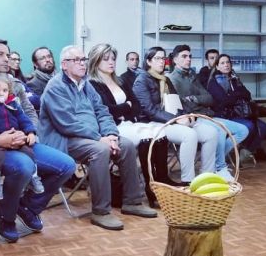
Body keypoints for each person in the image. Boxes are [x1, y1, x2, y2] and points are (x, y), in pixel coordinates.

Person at [0, 39, 75, 243]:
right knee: (24, 166)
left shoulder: (14, 85)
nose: (6, 58)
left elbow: (30, 113)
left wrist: (28, 133)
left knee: (66, 165)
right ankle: (6, 216)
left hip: (21, 144)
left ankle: (24, 206)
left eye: (7, 54)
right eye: (0, 54)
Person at [39, 45, 158, 230]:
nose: (82, 63)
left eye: (83, 59)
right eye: (76, 60)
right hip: (63, 139)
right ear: (64, 64)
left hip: (91, 137)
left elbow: (102, 112)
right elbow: (67, 123)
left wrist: (111, 133)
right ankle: (101, 211)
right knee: (100, 150)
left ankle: (132, 202)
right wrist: (99, 138)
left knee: (125, 145)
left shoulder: (86, 84)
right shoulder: (55, 87)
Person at [87, 43, 176, 208]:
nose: (111, 62)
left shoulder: (120, 81)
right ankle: (150, 188)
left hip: (129, 122)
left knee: (160, 132)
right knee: (147, 137)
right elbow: (106, 110)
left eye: (113, 58)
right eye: (106, 59)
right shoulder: (92, 84)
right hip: (111, 128)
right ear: (96, 61)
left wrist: (127, 108)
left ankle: (161, 179)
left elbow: (136, 104)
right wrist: (126, 107)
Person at [132, 46, 218, 185]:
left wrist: (186, 116)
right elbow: (149, 110)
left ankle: (206, 176)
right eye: (157, 58)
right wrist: (177, 119)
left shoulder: (165, 80)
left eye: (163, 58)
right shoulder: (141, 80)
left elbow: (176, 102)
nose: (162, 61)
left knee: (211, 133)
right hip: (153, 123)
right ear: (148, 62)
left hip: (171, 119)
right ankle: (188, 180)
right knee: (189, 135)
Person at [167, 44, 248, 180]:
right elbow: (181, 104)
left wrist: (193, 98)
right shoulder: (172, 79)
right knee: (220, 131)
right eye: (184, 56)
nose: (188, 59)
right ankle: (220, 166)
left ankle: (217, 157)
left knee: (243, 130)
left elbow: (209, 98)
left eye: (190, 56)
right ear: (175, 60)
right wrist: (198, 101)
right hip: (195, 118)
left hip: (207, 114)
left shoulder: (192, 75)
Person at [0, 74, 45, 201]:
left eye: (5, 91)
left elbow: (23, 119)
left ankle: (34, 178)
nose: (2, 94)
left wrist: (31, 132)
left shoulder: (13, 104)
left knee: (30, 153)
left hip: (16, 140)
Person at [206, 53, 266, 162]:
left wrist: (233, 95)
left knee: (263, 126)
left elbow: (247, 94)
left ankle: (246, 151)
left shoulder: (235, 79)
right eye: (222, 63)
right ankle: (224, 155)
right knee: (249, 126)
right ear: (217, 67)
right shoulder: (214, 83)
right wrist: (237, 94)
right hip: (225, 116)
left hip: (240, 113)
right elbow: (225, 101)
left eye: (228, 62)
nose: (226, 65)